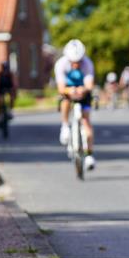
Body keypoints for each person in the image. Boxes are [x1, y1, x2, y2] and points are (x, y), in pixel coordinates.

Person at [55, 39, 97, 170]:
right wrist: (70, 91)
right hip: (68, 89)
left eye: (78, 61)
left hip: (83, 91)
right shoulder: (61, 64)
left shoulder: (87, 64)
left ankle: (89, 154)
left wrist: (83, 90)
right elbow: (61, 88)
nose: (75, 64)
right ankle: (65, 126)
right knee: (65, 100)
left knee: (86, 121)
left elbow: (89, 85)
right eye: (73, 62)